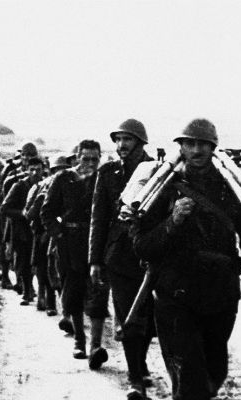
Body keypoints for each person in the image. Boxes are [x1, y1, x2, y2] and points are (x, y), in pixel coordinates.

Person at [131, 119, 241, 400]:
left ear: (213, 148)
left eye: (203, 144)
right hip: (176, 294)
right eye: (190, 144)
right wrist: (172, 221)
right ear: (181, 148)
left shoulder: (233, 189)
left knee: (214, 373)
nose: (196, 150)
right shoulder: (160, 188)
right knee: (189, 378)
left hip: (220, 295)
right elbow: (142, 247)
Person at [88, 119, 155, 398]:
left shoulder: (157, 170)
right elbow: (98, 217)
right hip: (119, 255)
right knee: (128, 317)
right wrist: (95, 259)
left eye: (127, 139)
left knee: (149, 319)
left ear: (140, 142)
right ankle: (136, 377)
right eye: (117, 140)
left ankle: (140, 364)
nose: (121, 145)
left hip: (152, 252)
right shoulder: (108, 172)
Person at [41, 140, 105, 363]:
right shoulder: (64, 178)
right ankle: (80, 340)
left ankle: (96, 346)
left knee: (99, 291)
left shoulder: (103, 178)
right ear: (77, 157)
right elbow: (47, 213)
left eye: (94, 159)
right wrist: (60, 236)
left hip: (97, 241)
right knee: (74, 293)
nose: (90, 163)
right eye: (85, 158)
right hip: (70, 243)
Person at [25, 154, 71, 316]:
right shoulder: (42, 187)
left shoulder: (73, 187)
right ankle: (48, 301)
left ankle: (67, 308)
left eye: (64, 170)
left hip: (64, 235)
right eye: (57, 170)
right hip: (43, 234)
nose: (61, 173)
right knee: (45, 269)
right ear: (51, 171)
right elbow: (31, 214)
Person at [1, 157, 45, 304]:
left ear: (43, 170)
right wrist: (21, 213)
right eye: (32, 169)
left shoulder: (47, 184)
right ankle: (27, 291)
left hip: (41, 229)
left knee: (41, 262)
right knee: (24, 262)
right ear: (26, 170)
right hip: (22, 231)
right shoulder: (19, 186)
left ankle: (42, 295)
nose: (35, 173)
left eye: (38, 169)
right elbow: (4, 208)